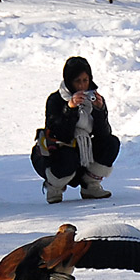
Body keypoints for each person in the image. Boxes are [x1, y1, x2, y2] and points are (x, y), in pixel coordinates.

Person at [32, 56, 120, 203]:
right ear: (69, 81)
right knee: (68, 156)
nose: (82, 86)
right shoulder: (56, 100)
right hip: (57, 154)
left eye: (85, 81)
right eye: (77, 81)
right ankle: (54, 186)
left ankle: (90, 185)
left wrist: (100, 110)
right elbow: (58, 133)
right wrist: (70, 109)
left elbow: (103, 134)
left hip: (84, 153)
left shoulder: (92, 99)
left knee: (111, 143)